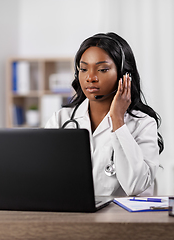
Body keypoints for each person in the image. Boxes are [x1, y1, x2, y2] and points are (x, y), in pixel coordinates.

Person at [45, 32, 164, 196]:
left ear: (124, 75)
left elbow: (136, 186)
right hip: (73, 216)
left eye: (102, 69)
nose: (90, 77)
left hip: (122, 218)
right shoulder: (61, 119)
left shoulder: (143, 124)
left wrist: (118, 121)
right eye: (84, 69)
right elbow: (44, 177)